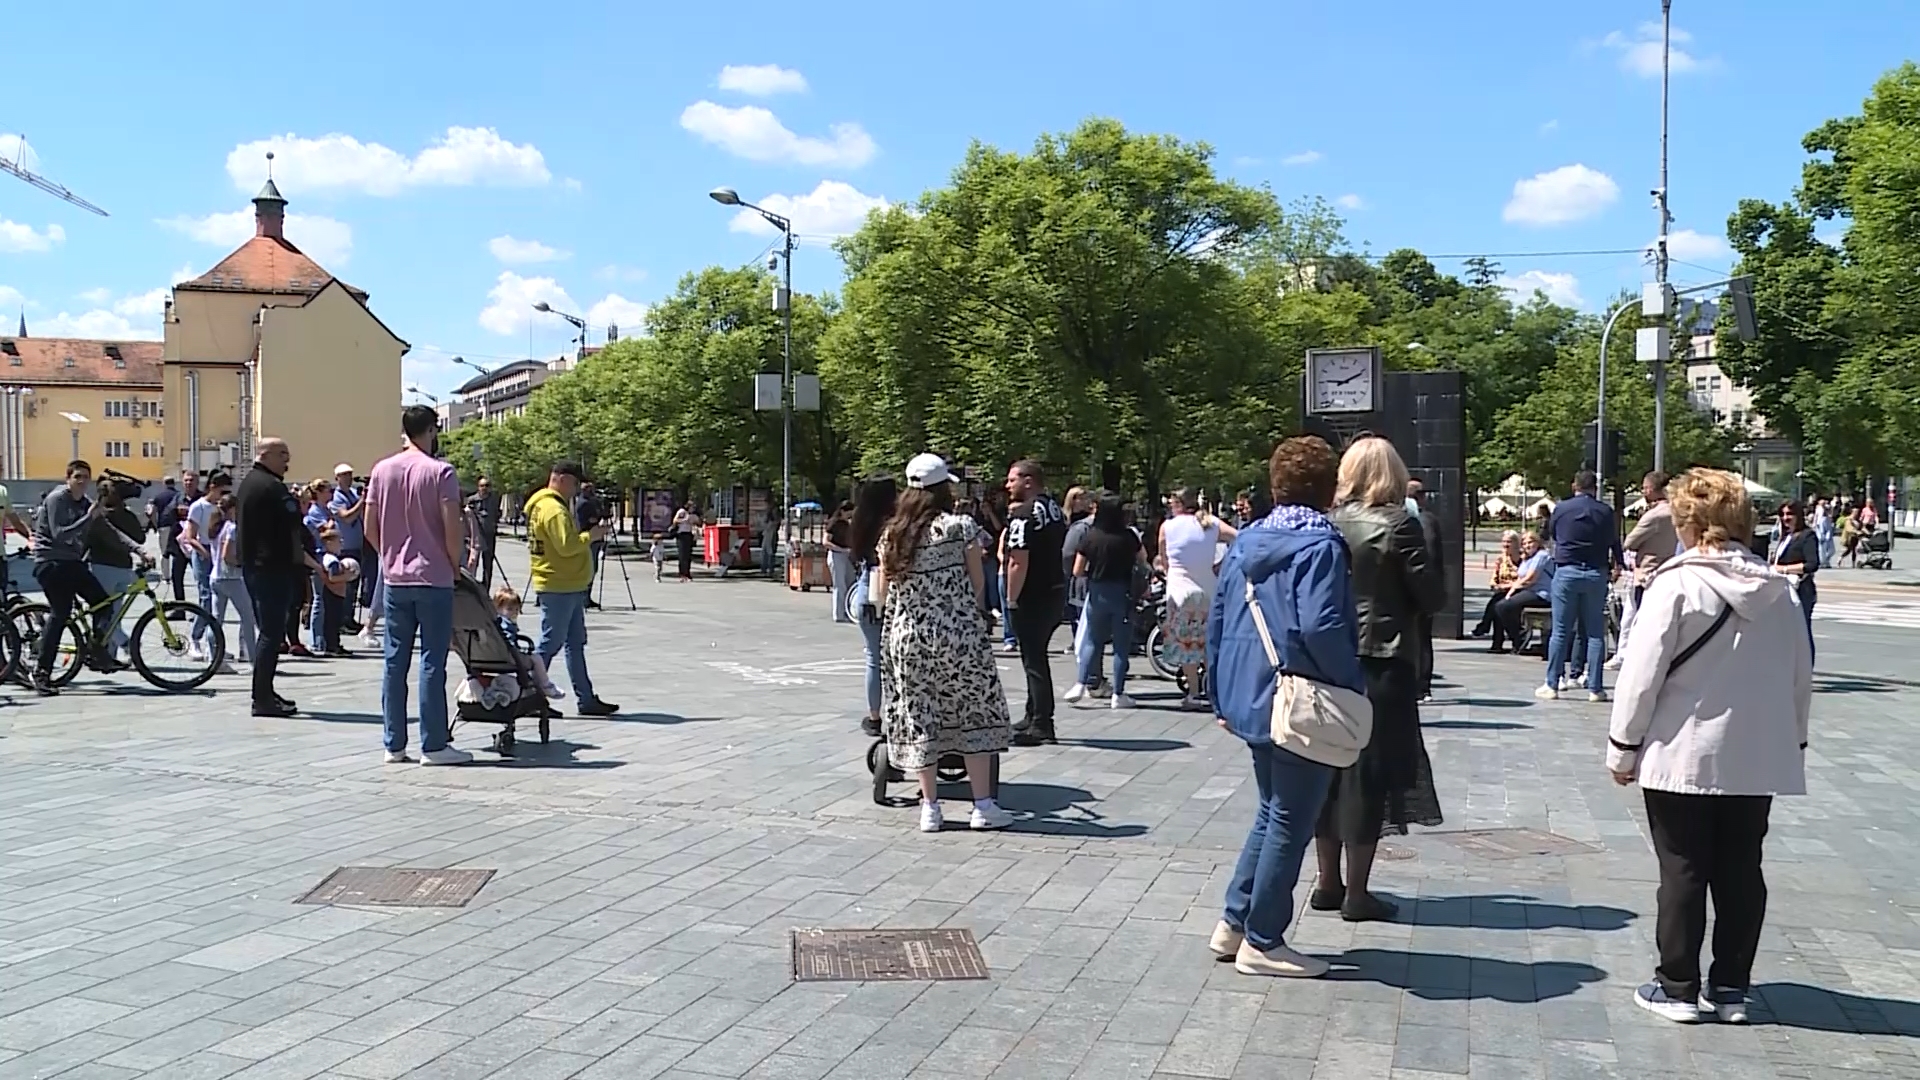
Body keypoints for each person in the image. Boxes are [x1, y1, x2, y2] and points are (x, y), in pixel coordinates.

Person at [1606, 467, 1811, 1025]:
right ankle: (1731, 988)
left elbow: (1641, 677)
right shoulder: (1780, 593)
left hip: (1683, 752)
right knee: (1742, 869)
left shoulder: (1676, 585)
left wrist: (1623, 748)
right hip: (1755, 755)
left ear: (1688, 524)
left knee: (1683, 869)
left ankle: (1677, 986)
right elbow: (1800, 676)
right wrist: (1793, 741)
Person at [1207, 435, 1362, 978]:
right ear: (1329, 488)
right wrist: (1351, 682)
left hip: (1249, 692)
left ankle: (1235, 921)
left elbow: (1219, 620)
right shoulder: (1321, 545)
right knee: (1290, 819)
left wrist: (1218, 695)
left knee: (1273, 810)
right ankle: (1263, 940)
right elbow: (1321, 625)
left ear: (1275, 486)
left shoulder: (1247, 541)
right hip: (1300, 695)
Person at [1321, 436, 1445, 922]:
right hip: (1384, 657)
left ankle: (1327, 882)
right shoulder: (1399, 524)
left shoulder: (1328, 523)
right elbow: (1431, 596)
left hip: (1332, 657)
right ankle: (1358, 893)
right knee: (1369, 777)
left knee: (1329, 768)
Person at [872, 453, 1014, 833]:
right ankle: (983, 806)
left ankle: (930, 808)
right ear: (942, 489)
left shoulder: (892, 535)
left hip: (908, 637)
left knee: (920, 716)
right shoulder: (959, 527)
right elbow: (977, 583)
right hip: (957, 635)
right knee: (974, 711)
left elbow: (883, 591)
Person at [364, 405, 471, 765]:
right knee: (432, 661)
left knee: (394, 661)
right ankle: (434, 745)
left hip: (395, 578)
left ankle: (394, 744)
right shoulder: (441, 472)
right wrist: (454, 564)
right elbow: (452, 525)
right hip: (434, 576)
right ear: (431, 430)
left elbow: (370, 527)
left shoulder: (382, 470)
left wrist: (388, 556)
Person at [28, 461, 145, 694]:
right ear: (68, 478)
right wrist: (88, 518)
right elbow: (59, 534)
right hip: (50, 562)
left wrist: (139, 550)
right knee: (60, 614)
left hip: (73, 563)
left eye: (85, 477)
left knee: (103, 605)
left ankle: (96, 653)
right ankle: (41, 672)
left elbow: (109, 530)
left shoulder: (85, 503)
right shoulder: (57, 499)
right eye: (77, 477)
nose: (82, 481)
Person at [526, 461, 619, 717]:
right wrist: (592, 535)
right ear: (563, 479)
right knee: (551, 642)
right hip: (559, 584)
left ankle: (585, 698)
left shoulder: (544, 505)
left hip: (567, 583)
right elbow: (566, 546)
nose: (577, 490)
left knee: (574, 643)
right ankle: (528, 696)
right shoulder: (553, 509)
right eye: (576, 484)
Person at [236, 439, 312, 717]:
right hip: (270, 567)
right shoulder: (270, 486)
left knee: (269, 632)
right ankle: (262, 698)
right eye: (282, 455)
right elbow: (293, 521)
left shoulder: (249, 482)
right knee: (271, 633)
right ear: (264, 455)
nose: (287, 462)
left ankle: (265, 692)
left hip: (256, 566)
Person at [1539, 470, 1622, 703]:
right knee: (1596, 633)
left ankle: (1552, 683)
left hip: (1567, 570)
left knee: (1561, 630)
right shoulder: (1605, 511)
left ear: (1574, 486)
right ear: (1595, 487)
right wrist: (1619, 565)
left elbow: (1552, 534)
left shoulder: (1561, 508)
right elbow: (1614, 541)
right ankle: (1595, 688)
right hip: (1596, 572)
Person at [1003, 460, 1068, 746]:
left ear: (1028, 481)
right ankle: (1033, 714)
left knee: (1034, 660)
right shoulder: (1054, 509)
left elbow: (1018, 560)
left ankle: (1042, 723)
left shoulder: (1024, 514)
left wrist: (1011, 598)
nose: (1008, 485)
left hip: (1032, 595)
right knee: (1037, 655)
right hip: (1054, 589)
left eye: (1012, 480)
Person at [1065, 493, 1148, 709]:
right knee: (1121, 645)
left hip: (1097, 592)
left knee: (1092, 640)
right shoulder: (1129, 537)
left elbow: (1077, 570)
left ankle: (1081, 683)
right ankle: (1118, 694)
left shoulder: (1091, 536)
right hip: (1123, 593)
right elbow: (1143, 560)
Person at [1158, 487, 1238, 711]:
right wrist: (1220, 565)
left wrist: (1169, 573)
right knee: (1208, 644)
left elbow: (1164, 559)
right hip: (1208, 588)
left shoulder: (1167, 527)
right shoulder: (1211, 523)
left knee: (1187, 646)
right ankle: (1215, 692)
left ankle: (1193, 693)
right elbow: (1239, 537)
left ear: (1178, 504)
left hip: (1179, 591)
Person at [848, 476, 898, 738]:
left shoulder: (860, 522)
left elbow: (855, 556)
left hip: (867, 588)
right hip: (891, 590)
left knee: (874, 658)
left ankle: (874, 716)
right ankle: (899, 712)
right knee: (897, 657)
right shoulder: (896, 524)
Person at [1614, 471, 1678, 668]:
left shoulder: (1654, 516)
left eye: (1644, 488)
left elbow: (1630, 542)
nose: (1643, 491)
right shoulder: (1677, 511)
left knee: (1637, 619)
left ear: (1651, 489)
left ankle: (1632, 658)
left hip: (1647, 572)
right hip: (1669, 569)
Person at [85, 475, 149, 666]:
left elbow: (87, 541)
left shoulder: (98, 515)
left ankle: (113, 651)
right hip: (123, 567)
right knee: (114, 615)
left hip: (101, 566)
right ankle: (112, 653)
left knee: (105, 615)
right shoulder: (127, 515)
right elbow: (140, 538)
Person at [179, 472, 231, 662]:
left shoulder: (221, 507)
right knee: (206, 598)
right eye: (222, 491)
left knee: (219, 600)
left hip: (218, 551)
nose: (224, 496)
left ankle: (214, 643)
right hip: (203, 552)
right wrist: (205, 553)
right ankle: (195, 639)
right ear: (212, 487)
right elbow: (190, 536)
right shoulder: (198, 507)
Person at [1404, 479, 1446, 700]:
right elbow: (1434, 556)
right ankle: (1422, 685)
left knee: (1415, 638)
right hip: (1424, 585)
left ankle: (1418, 684)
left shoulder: (1406, 520)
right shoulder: (1428, 520)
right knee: (1423, 638)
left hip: (1407, 586)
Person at [491, 585, 566, 699]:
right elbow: (507, 640)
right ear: (498, 608)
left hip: (494, 654)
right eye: (510, 609)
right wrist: (516, 650)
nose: (514, 613)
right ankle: (545, 685)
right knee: (536, 658)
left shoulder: (492, 622)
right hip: (509, 656)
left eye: (516, 609)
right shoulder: (505, 623)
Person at [1769, 501, 1820, 658]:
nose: (1786, 518)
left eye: (1790, 514)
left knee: (1802, 631)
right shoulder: (1786, 537)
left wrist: (1783, 569)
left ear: (1799, 515)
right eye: (1783, 514)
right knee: (1785, 631)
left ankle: (1806, 666)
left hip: (1801, 590)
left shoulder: (1807, 535)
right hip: (1784, 589)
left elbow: (1812, 564)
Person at [210, 493, 256, 666]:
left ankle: (214, 658)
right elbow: (227, 555)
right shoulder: (232, 528)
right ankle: (253, 659)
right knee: (248, 618)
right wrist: (242, 563)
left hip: (216, 577)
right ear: (232, 509)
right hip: (231, 578)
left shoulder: (216, 527)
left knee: (216, 619)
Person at [1493, 531, 1554, 651]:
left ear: (1537, 542)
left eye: (1530, 542)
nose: (1527, 546)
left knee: (1504, 606)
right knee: (1496, 602)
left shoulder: (1541, 555)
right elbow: (1520, 578)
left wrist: (1512, 591)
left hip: (1541, 593)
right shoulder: (1527, 558)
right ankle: (1500, 641)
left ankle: (1520, 636)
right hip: (1528, 590)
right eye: (1524, 543)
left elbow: (1530, 578)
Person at [330, 464, 367, 635]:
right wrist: (362, 501)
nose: (348, 478)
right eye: (344, 475)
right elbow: (346, 517)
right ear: (337, 478)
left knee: (354, 586)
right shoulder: (336, 497)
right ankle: (342, 620)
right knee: (346, 586)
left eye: (350, 475)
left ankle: (349, 618)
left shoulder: (352, 493)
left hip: (356, 545)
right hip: (344, 548)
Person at [1470, 531, 1521, 648]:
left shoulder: (1523, 560)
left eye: (1509, 542)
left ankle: (1488, 630)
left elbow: (1523, 579)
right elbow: (1494, 577)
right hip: (1502, 592)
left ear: (1516, 543)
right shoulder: (1501, 559)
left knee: (1496, 604)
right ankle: (1495, 640)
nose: (1506, 544)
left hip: (1518, 591)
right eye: (1504, 541)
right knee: (1497, 604)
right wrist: (1495, 585)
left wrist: (1508, 586)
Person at [574, 481, 607, 609]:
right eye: (590, 490)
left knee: (593, 568)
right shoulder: (583, 503)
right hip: (588, 537)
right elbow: (590, 520)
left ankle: (587, 596)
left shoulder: (591, 502)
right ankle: (584, 597)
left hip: (594, 537)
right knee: (590, 568)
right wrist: (598, 518)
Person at [465, 476, 501, 591]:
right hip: (475, 537)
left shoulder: (494, 500)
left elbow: (497, 514)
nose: (484, 488)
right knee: (472, 563)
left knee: (488, 564)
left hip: (489, 536)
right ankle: (471, 588)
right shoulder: (472, 500)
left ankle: (486, 589)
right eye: (482, 486)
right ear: (478, 487)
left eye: (487, 486)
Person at [826, 501, 856, 624]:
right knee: (840, 585)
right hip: (836, 555)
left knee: (851, 581)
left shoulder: (847, 524)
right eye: (849, 513)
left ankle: (848, 611)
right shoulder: (834, 523)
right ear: (843, 511)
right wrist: (841, 549)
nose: (850, 515)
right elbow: (826, 542)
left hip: (846, 555)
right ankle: (839, 613)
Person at [671, 502, 701, 581]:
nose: (693, 509)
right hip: (681, 534)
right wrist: (684, 520)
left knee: (688, 555)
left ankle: (687, 573)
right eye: (692, 507)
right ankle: (682, 573)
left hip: (689, 534)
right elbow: (675, 520)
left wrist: (694, 521)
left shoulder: (692, 515)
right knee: (682, 555)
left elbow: (699, 523)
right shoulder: (682, 512)